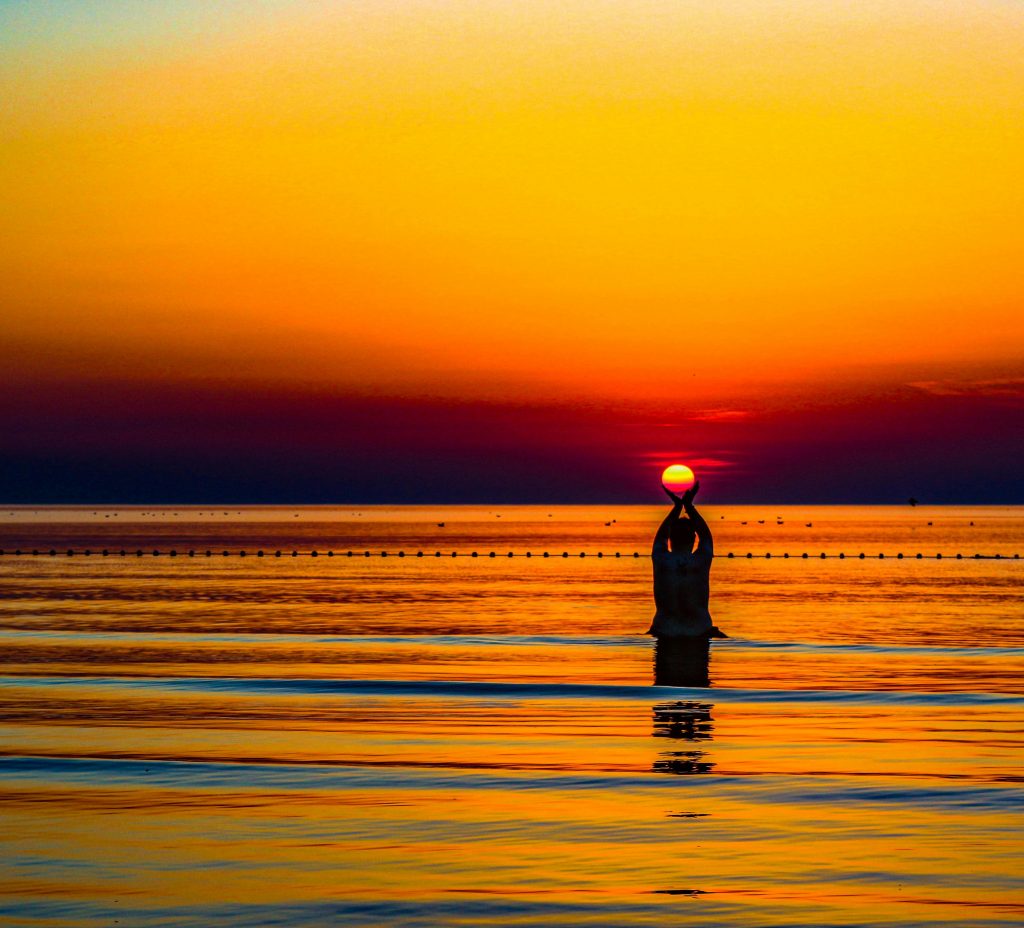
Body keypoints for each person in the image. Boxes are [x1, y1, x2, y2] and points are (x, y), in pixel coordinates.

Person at [647, 480, 726, 639]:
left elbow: (661, 536)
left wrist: (677, 507)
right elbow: (706, 536)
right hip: (699, 632)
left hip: (664, 632)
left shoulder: (661, 558)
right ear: (694, 538)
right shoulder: (701, 560)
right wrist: (689, 506)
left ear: (670, 538)